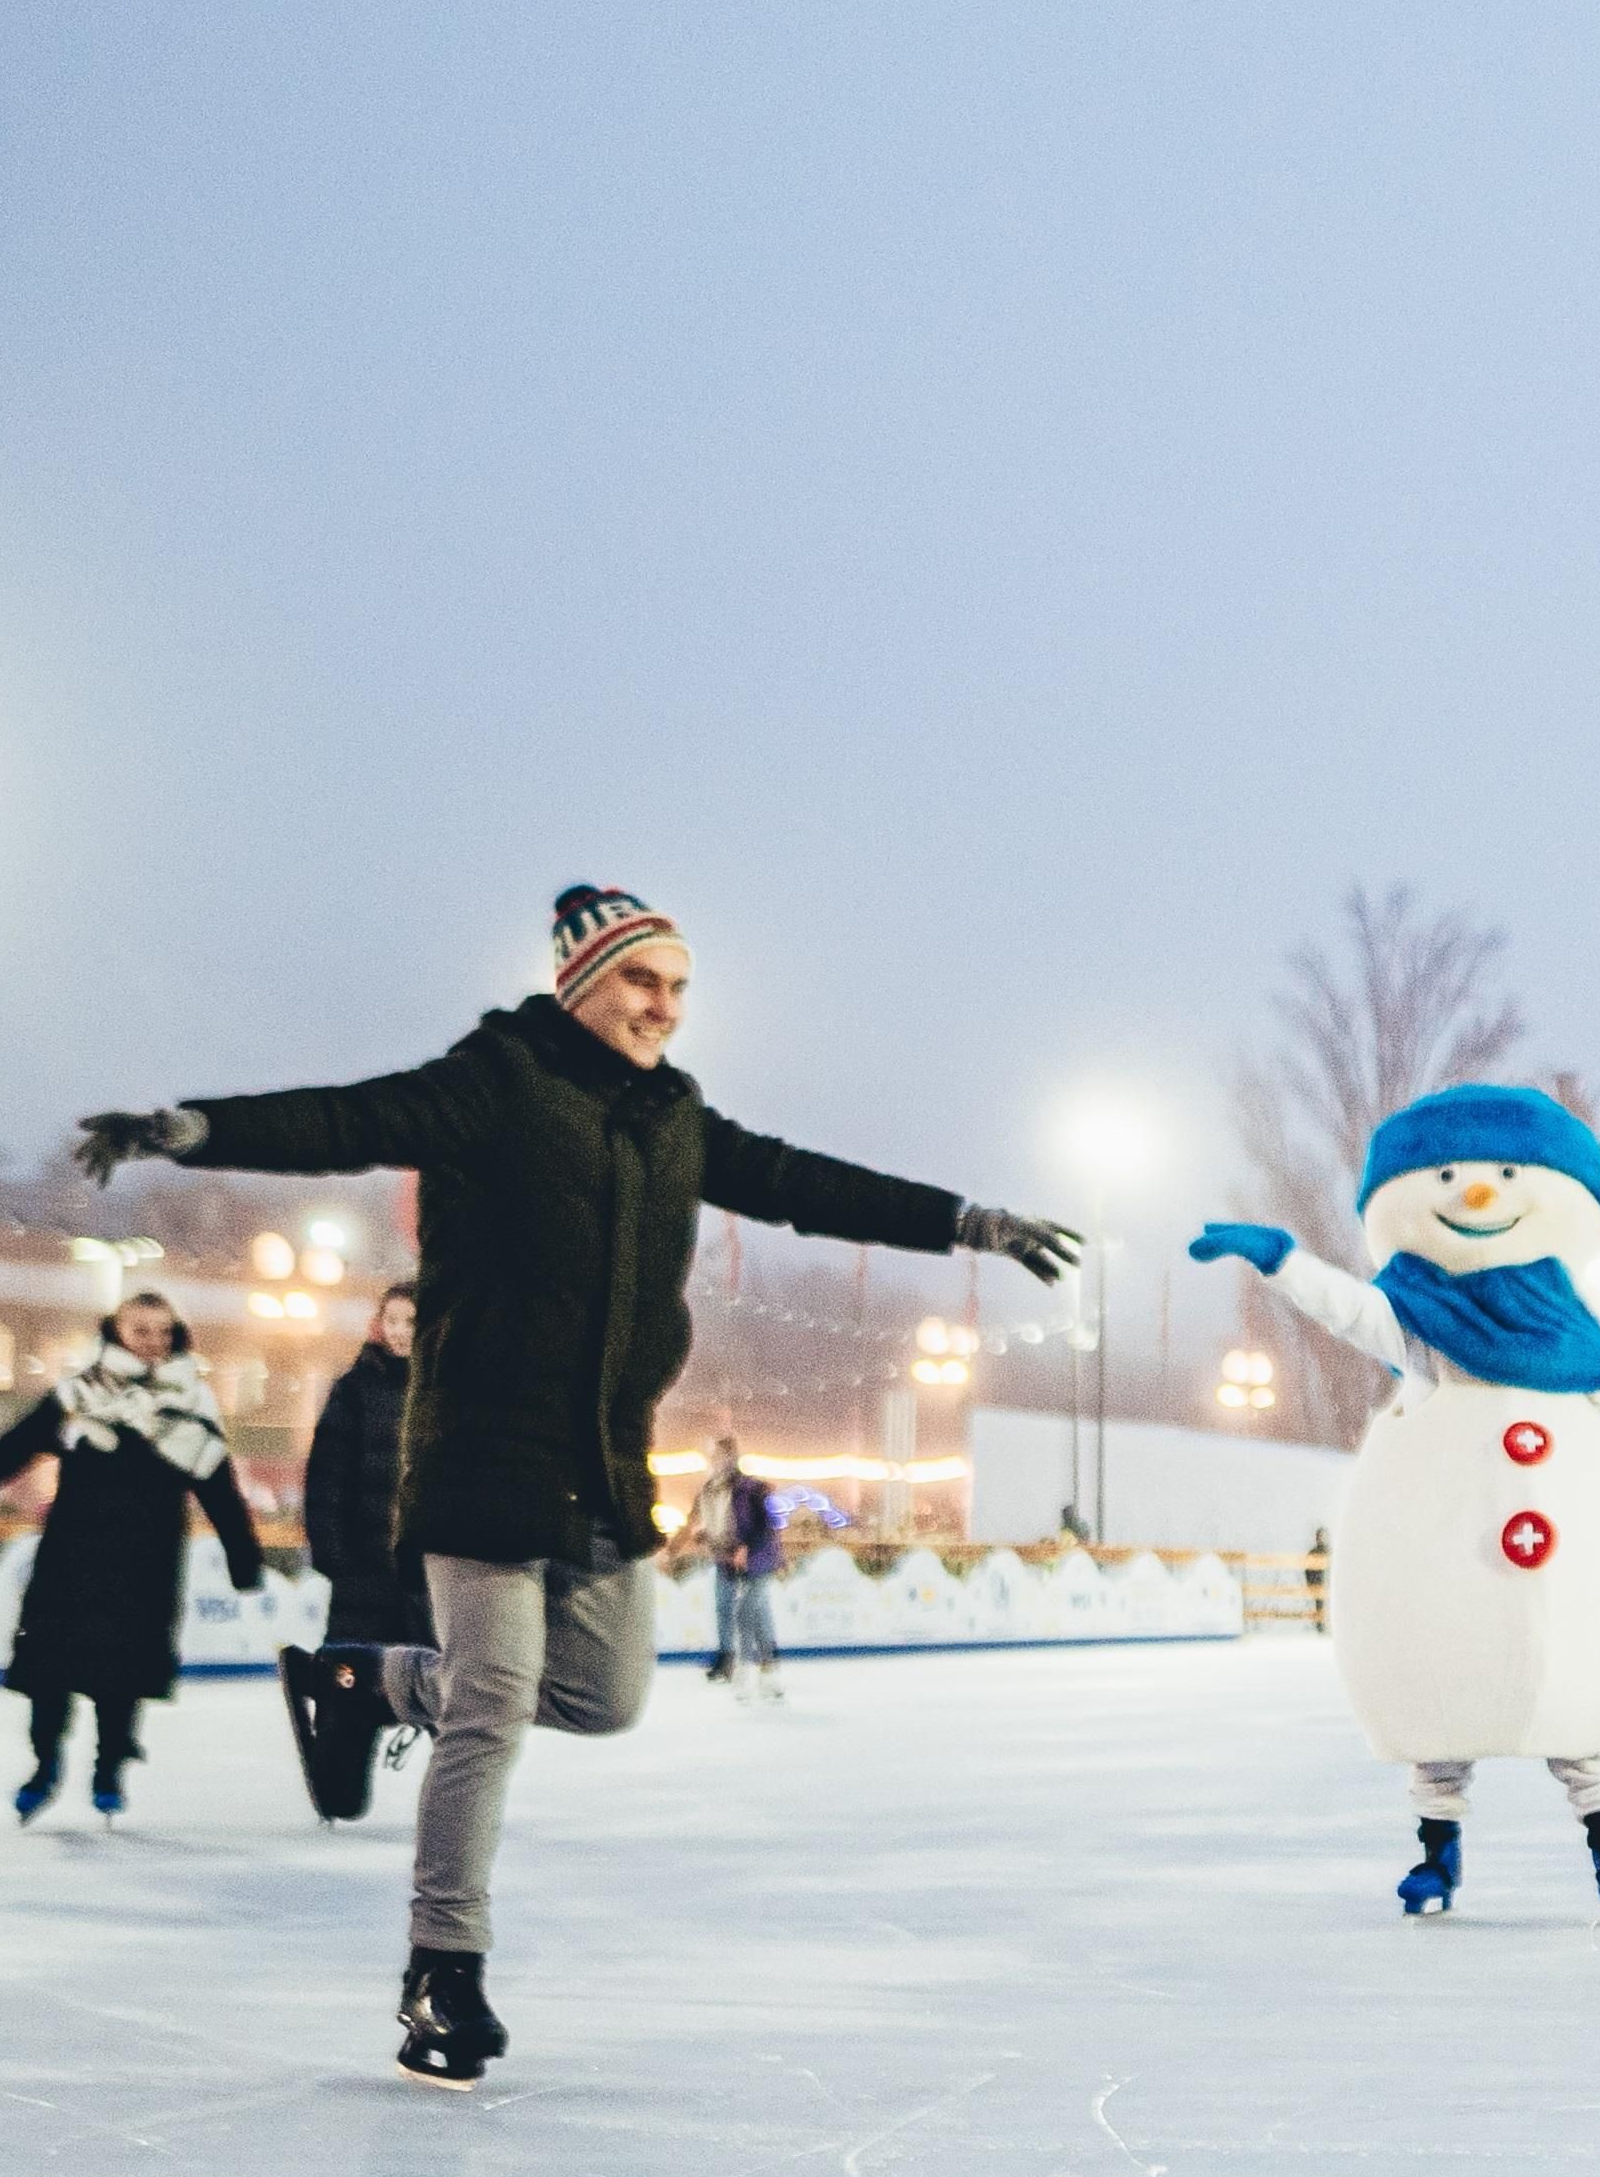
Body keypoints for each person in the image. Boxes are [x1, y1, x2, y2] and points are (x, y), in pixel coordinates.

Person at [69, 882, 1081, 2088]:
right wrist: (192, 1128)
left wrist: (967, 1222)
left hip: (601, 1462)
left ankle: (361, 1681)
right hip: (483, 1449)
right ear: (581, 983)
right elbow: (351, 1117)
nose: (663, 1008)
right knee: (492, 1703)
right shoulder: (498, 1076)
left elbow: (806, 1182)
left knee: (604, 1697)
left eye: (678, 988)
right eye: (641, 982)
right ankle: (444, 1972)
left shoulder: (676, 1117)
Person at [1195, 1084, 1600, 1914]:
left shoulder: (1577, 1340)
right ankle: (1437, 1852)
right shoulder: (1423, 1329)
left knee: (1581, 1714)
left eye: (1502, 1172)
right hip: (1448, 1546)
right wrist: (1283, 1260)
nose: (1479, 1193)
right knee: (1439, 1702)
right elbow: (1353, 1310)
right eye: (1452, 1174)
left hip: (1570, 1559)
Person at [0, 1292, 267, 1823]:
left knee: (123, 1675)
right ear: (116, 1331)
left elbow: (220, 1491)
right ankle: (44, 1767)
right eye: (141, 1330)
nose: (153, 1342)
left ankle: (110, 1769)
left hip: (146, 1561)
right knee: (50, 1669)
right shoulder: (75, 1397)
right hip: (73, 1555)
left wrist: (244, 1560)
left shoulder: (192, 1406)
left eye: (163, 1331)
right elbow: (3, 1457)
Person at [294, 1284, 428, 1819]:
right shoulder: (354, 1389)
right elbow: (326, 1476)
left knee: (435, 1680)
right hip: (364, 1567)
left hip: (426, 1573)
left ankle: (456, 1807)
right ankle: (339, 1787)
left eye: (412, 1322)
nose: (399, 1332)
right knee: (351, 1681)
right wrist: (331, 1550)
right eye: (392, 1320)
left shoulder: (446, 1395)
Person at [672, 1431, 786, 1699]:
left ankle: (767, 1668)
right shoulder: (710, 1489)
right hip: (725, 1558)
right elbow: (695, 1520)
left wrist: (747, 1547)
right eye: (712, 1456)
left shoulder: (750, 1488)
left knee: (755, 1614)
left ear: (731, 1457)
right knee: (725, 1607)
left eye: (718, 1455)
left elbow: (765, 1524)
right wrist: (673, 1549)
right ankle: (728, 1660)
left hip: (755, 1560)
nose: (714, 1460)